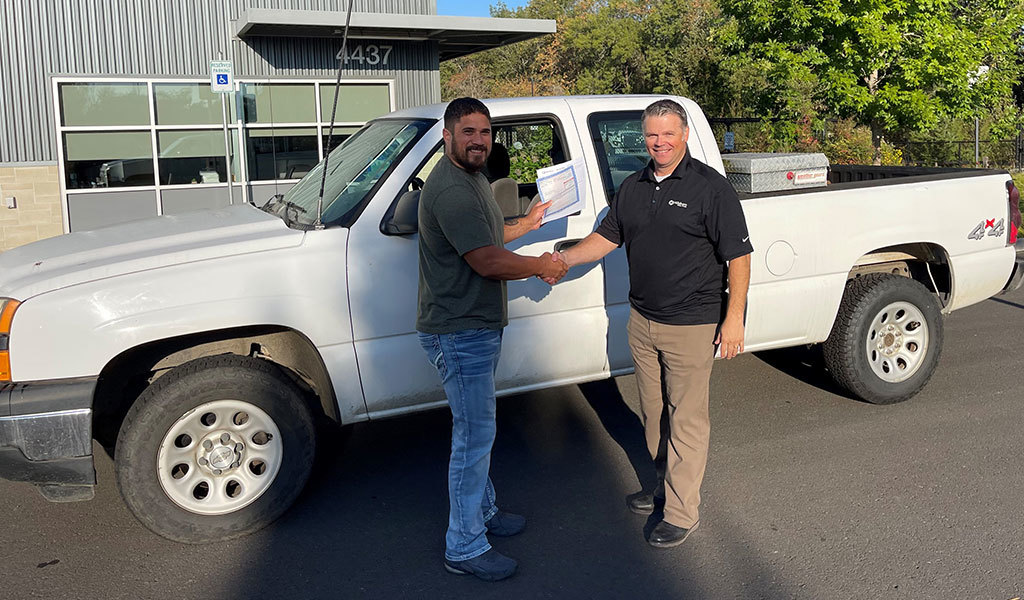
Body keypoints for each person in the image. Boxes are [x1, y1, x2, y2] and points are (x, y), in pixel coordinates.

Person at [552, 98, 752, 548]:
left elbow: (739, 256)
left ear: (684, 136)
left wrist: (734, 318)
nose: (659, 142)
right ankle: (662, 485)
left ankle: (682, 511)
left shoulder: (711, 189)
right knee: (654, 412)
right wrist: (562, 260)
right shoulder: (635, 185)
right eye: (651, 135)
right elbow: (606, 237)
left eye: (668, 134)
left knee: (687, 419)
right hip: (642, 319)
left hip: (691, 323)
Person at [416, 97, 568, 581]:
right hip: (460, 331)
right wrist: (542, 265)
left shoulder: (472, 179)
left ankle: (483, 513)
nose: (479, 140)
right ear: (448, 135)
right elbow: (486, 260)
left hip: (472, 327)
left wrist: (527, 223)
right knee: (473, 438)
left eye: (485, 132)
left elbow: (488, 235)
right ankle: (463, 547)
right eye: (468, 132)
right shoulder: (452, 190)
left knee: (475, 432)